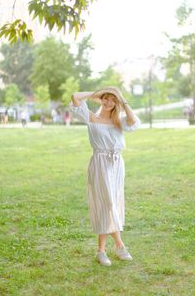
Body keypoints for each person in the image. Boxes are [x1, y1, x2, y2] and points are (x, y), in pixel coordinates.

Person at [69, 87, 141, 267]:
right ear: (101, 99)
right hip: (100, 163)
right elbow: (75, 97)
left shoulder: (119, 121)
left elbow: (133, 121)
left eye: (112, 100)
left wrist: (122, 99)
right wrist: (95, 94)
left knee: (112, 204)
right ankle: (119, 245)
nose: (109, 103)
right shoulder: (91, 117)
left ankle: (101, 251)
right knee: (107, 203)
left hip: (117, 164)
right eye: (106, 99)